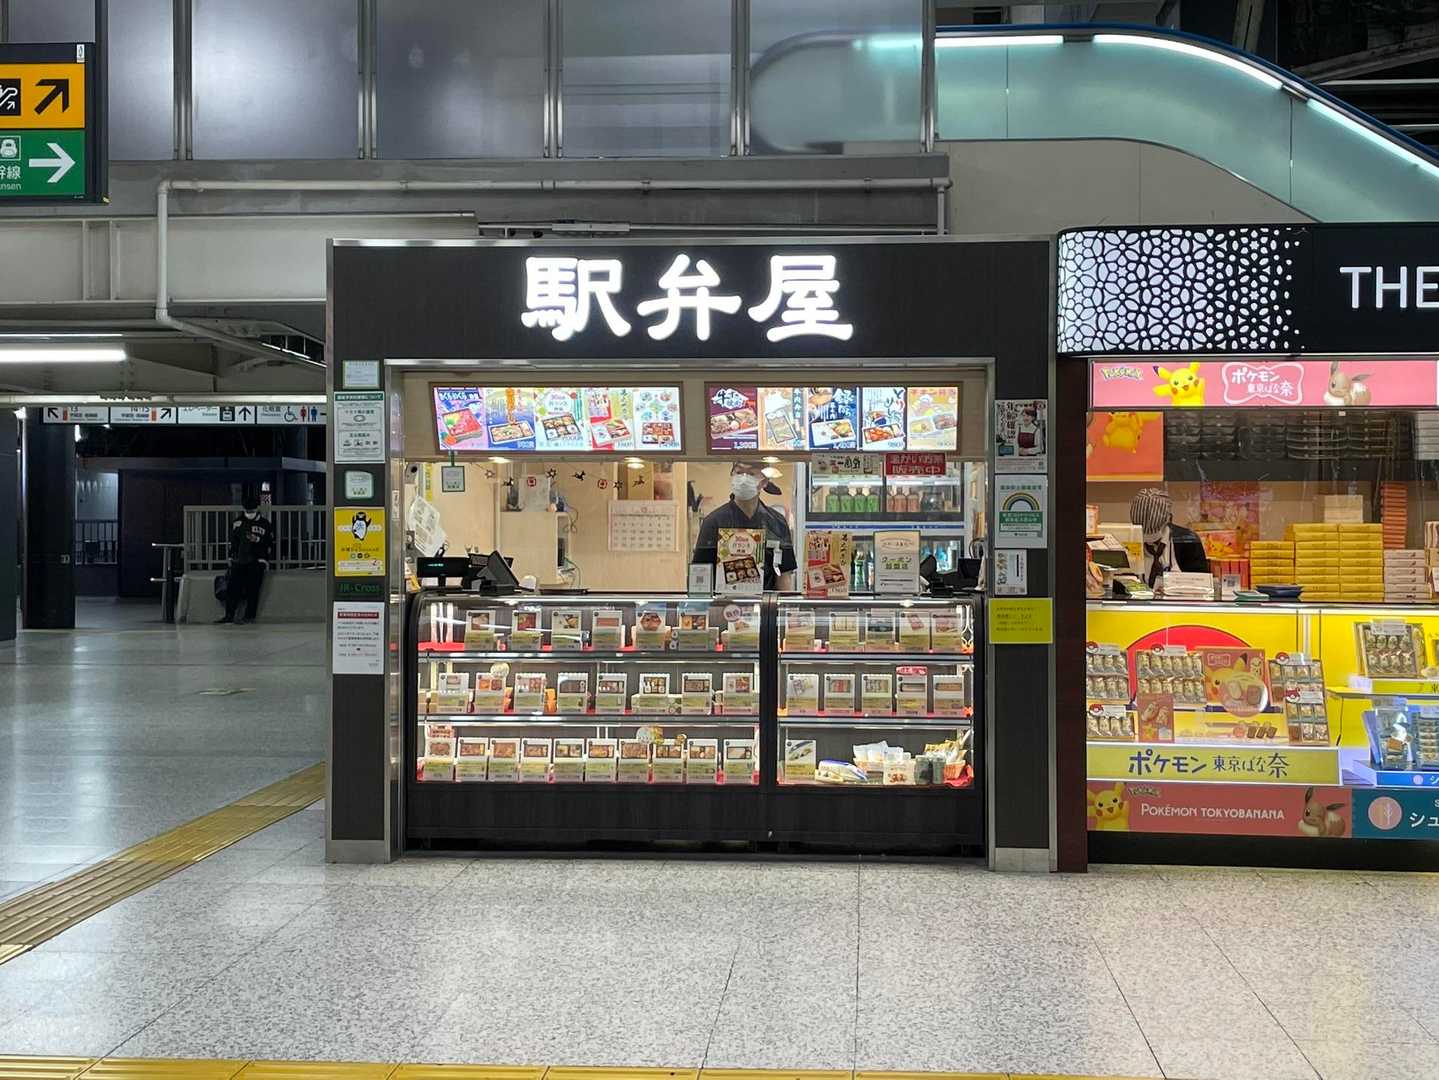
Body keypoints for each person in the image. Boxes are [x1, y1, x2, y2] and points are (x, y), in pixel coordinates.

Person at [691, 461, 797, 591]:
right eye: (739, 472)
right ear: (732, 475)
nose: (744, 479)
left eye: (751, 473)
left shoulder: (777, 522)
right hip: (724, 602)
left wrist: (783, 603)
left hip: (765, 601)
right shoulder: (713, 522)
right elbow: (700, 573)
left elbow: (784, 575)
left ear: (764, 482)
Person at [1129, 488, 1209, 586]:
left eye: (1155, 529)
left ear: (1168, 518)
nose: (1149, 539)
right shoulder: (1128, 538)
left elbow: (1201, 583)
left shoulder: (1188, 541)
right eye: (1143, 531)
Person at [218, 496, 275, 625]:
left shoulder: (265, 524)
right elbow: (234, 541)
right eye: (247, 510)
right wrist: (231, 556)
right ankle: (229, 615)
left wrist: (258, 541)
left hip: (257, 560)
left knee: (253, 589)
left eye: (251, 510)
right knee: (233, 587)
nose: (249, 513)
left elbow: (270, 542)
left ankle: (249, 616)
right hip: (239, 560)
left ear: (256, 509)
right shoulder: (238, 523)